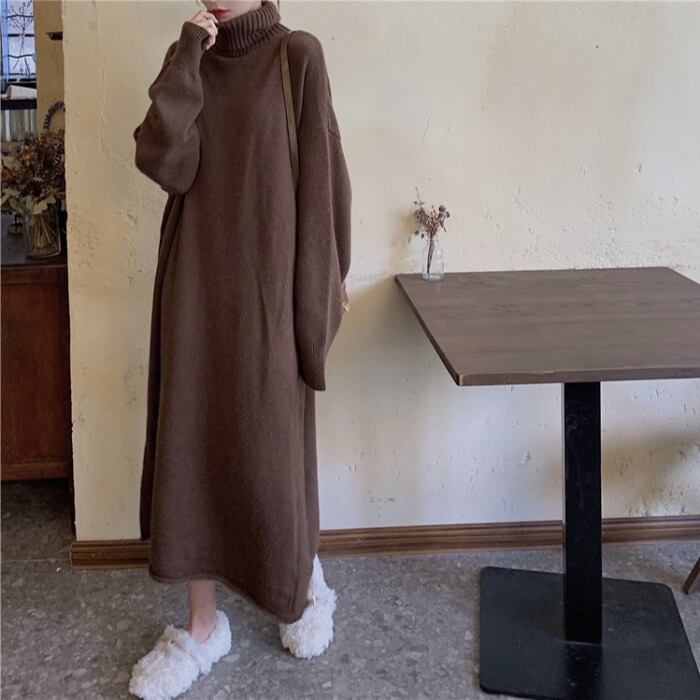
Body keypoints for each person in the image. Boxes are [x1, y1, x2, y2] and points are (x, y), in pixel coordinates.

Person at [128, 1, 351, 697]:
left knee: (272, 451)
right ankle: (203, 627)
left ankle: (303, 582)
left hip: (269, 296)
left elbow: (325, 190)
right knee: (191, 448)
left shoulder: (296, 56)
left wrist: (314, 308)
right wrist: (187, 56)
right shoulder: (190, 57)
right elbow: (164, 161)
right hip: (195, 292)